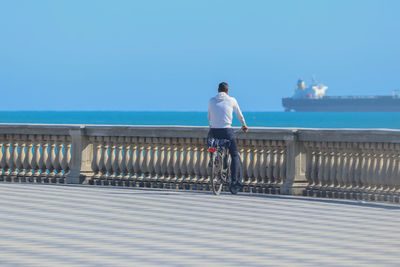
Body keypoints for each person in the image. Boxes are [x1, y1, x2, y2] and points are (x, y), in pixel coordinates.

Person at [207, 82, 248, 193]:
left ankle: (213, 158)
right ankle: (234, 182)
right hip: (226, 131)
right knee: (234, 154)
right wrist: (243, 125)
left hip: (214, 131)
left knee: (212, 144)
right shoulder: (232, 100)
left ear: (218, 90)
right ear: (227, 91)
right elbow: (239, 114)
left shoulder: (211, 100)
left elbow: (209, 117)